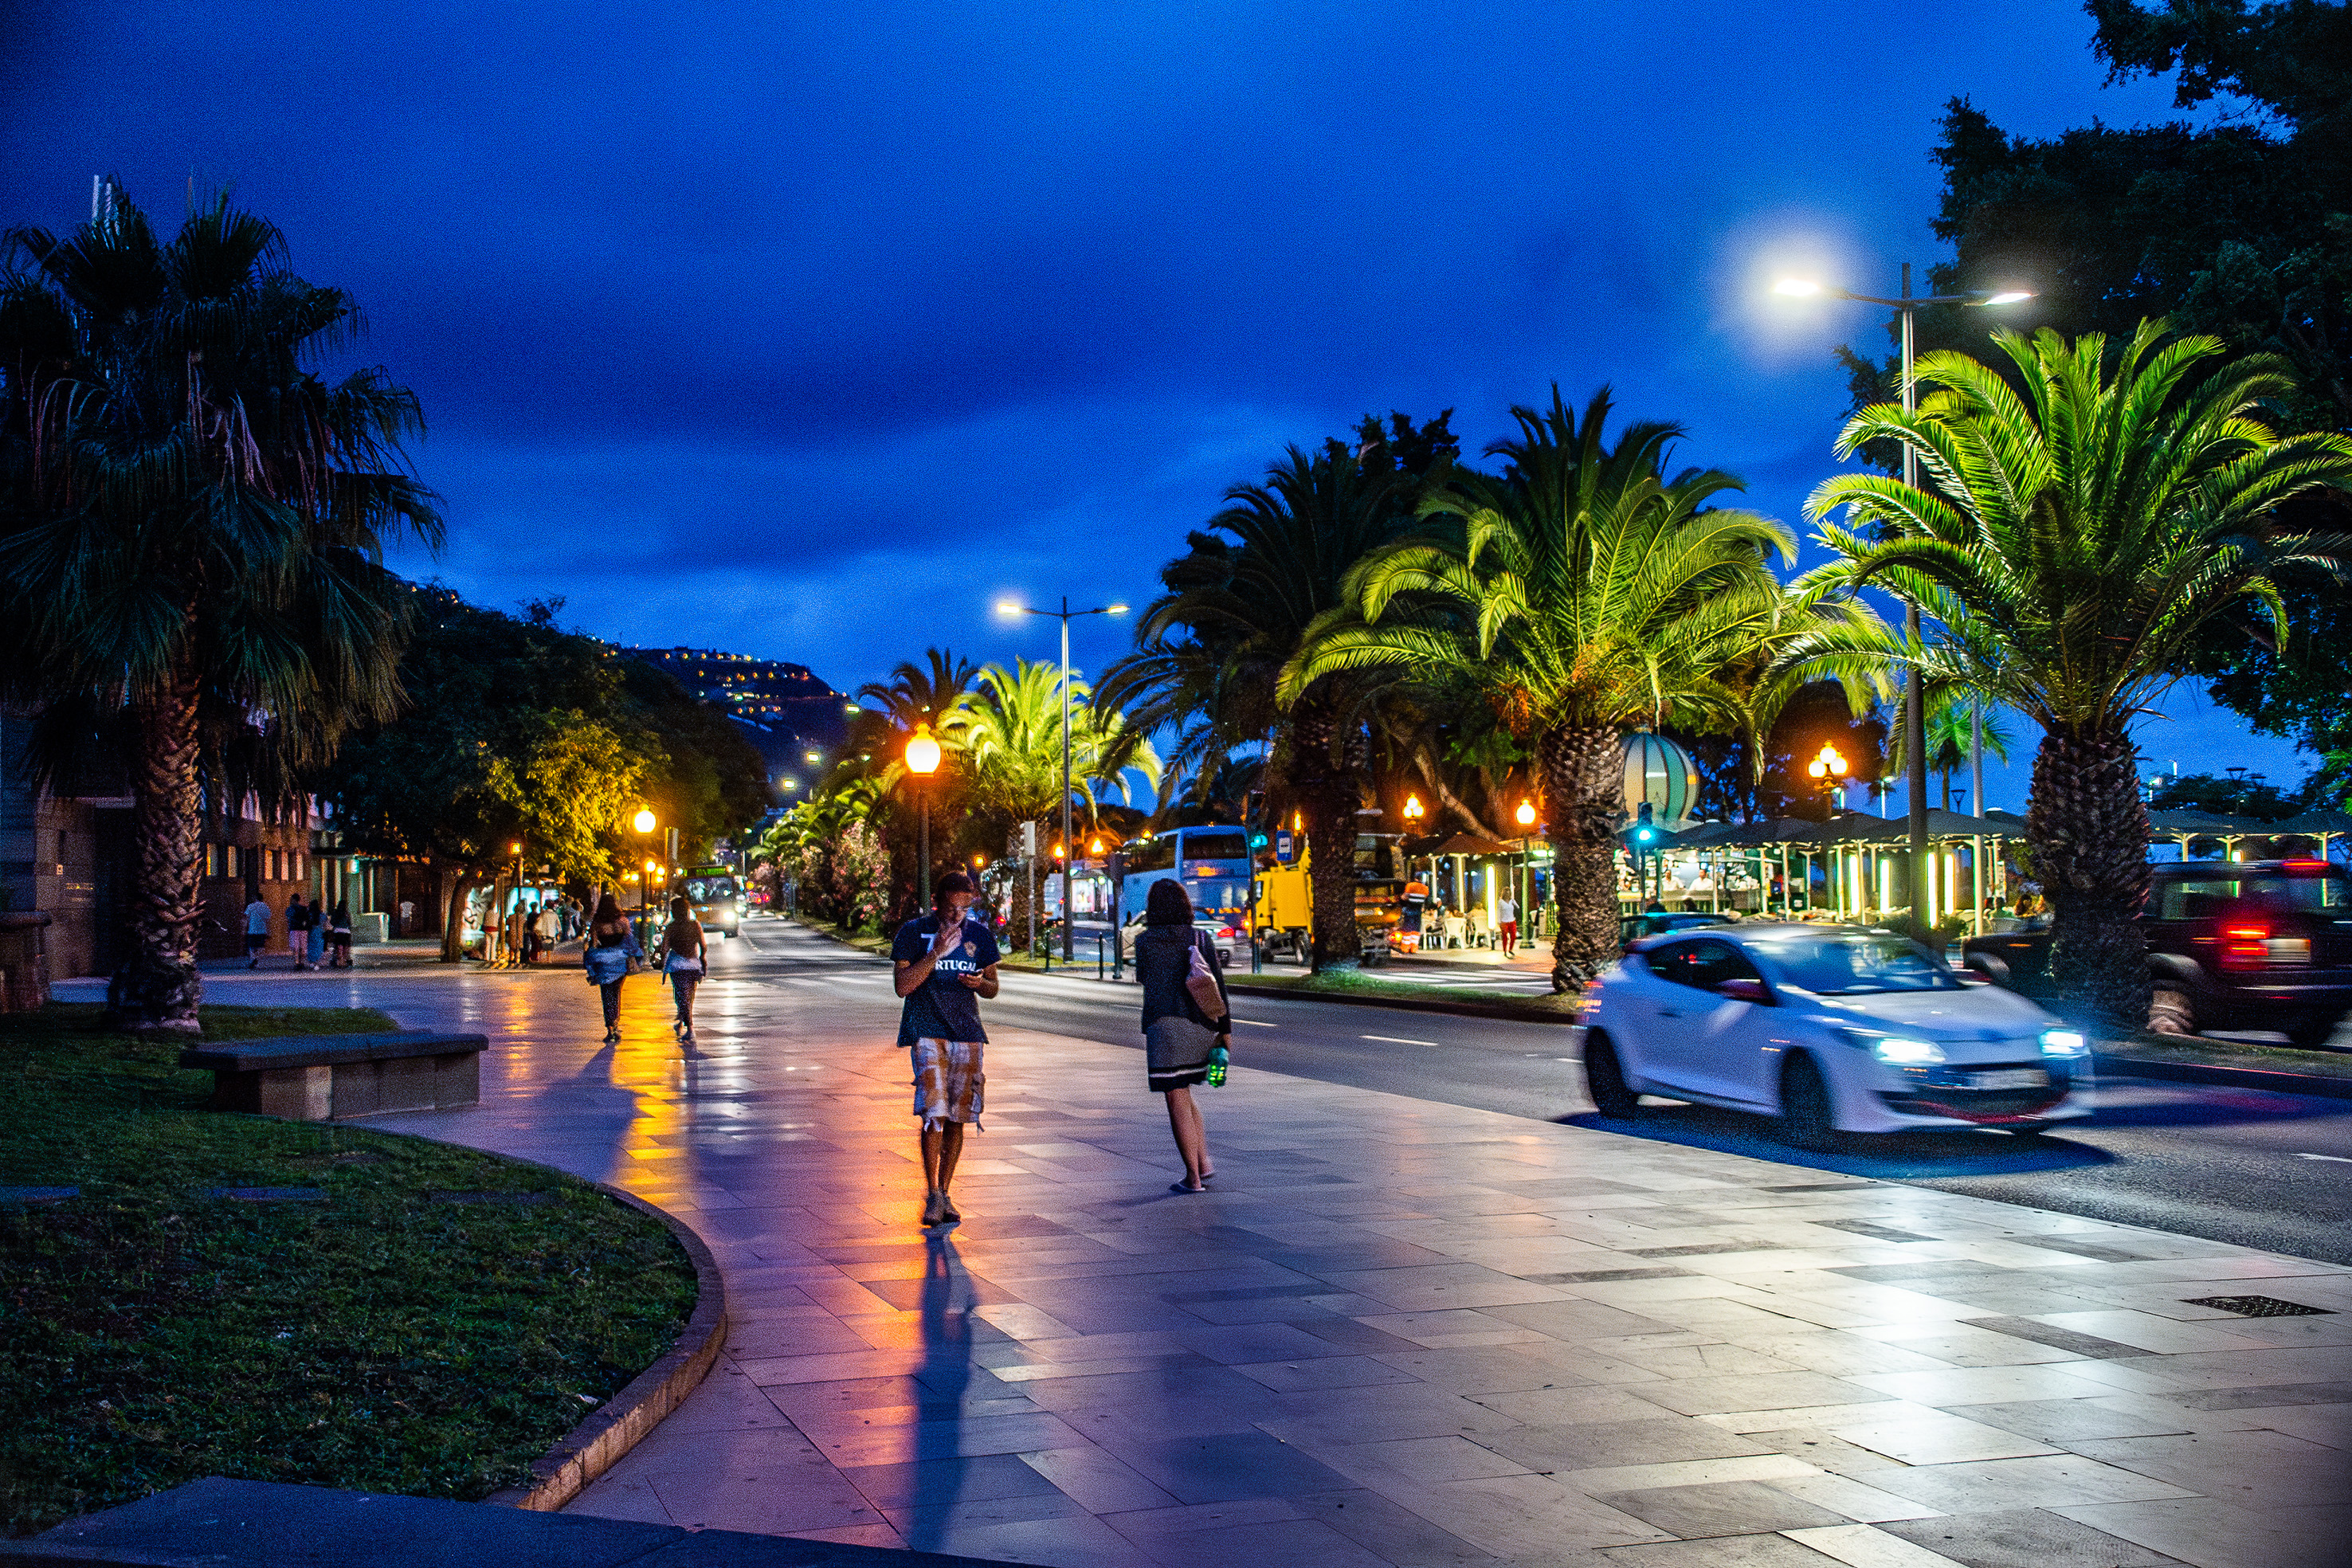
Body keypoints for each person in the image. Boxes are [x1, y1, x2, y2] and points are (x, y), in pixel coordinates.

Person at [892, 871, 1001, 1228]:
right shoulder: (914, 932)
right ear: (937, 901)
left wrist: (979, 982)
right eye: (951, 907)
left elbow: (992, 988)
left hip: (967, 1032)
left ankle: (946, 1191)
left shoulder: (980, 936)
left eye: (964, 907)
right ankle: (933, 1191)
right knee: (933, 1113)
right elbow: (903, 986)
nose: (957, 915)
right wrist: (936, 952)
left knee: (958, 1116)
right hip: (927, 1031)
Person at [1134, 879, 1228, 1193]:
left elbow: (1145, 979)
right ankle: (1204, 1162)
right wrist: (1225, 1032)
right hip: (1202, 1025)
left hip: (1165, 1028)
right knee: (1186, 1091)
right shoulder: (1201, 937)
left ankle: (1193, 1177)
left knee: (1175, 1096)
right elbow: (1220, 989)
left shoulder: (1146, 942)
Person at [584, 892, 641, 1044]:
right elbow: (629, 940)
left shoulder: (597, 922)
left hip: (604, 961)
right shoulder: (622, 921)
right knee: (617, 992)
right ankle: (615, 1024)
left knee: (606, 993)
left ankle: (609, 1026)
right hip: (620, 960)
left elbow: (594, 943)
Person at [662, 894, 708, 1041]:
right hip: (694, 965)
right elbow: (703, 946)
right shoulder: (695, 925)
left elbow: (664, 948)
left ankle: (690, 1027)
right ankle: (683, 1021)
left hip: (677, 965)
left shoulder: (671, 928)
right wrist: (702, 959)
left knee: (681, 995)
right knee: (690, 996)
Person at [243, 891, 272, 969]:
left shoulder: (251, 906)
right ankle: (257, 960)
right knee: (261, 947)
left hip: (252, 930)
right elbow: (267, 920)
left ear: (255, 898)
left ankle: (253, 959)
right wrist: (269, 930)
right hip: (262, 930)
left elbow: (247, 919)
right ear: (262, 899)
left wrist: (245, 929)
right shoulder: (266, 907)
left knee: (252, 947)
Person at [284, 894, 313, 970]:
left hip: (294, 929)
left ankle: (297, 962)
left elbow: (288, 920)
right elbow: (309, 919)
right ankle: (302, 962)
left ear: (294, 900)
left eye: (291, 899)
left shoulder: (290, 909)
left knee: (295, 947)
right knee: (302, 946)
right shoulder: (304, 909)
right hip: (304, 929)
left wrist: (288, 930)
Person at [327, 900, 353, 969]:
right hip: (346, 932)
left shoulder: (336, 913)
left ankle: (340, 962)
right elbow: (349, 923)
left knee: (339, 947)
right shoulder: (347, 914)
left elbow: (332, 922)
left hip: (338, 931)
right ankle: (344, 961)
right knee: (345, 947)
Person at [1497, 892, 1519, 958]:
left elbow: (1517, 907)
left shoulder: (1512, 901)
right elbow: (1498, 911)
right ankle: (1505, 950)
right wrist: (1499, 921)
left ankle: (1510, 949)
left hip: (1512, 920)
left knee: (1513, 935)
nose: (1507, 895)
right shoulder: (1501, 902)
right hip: (1504, 921)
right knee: (1505, 937)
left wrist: (1515, 906)